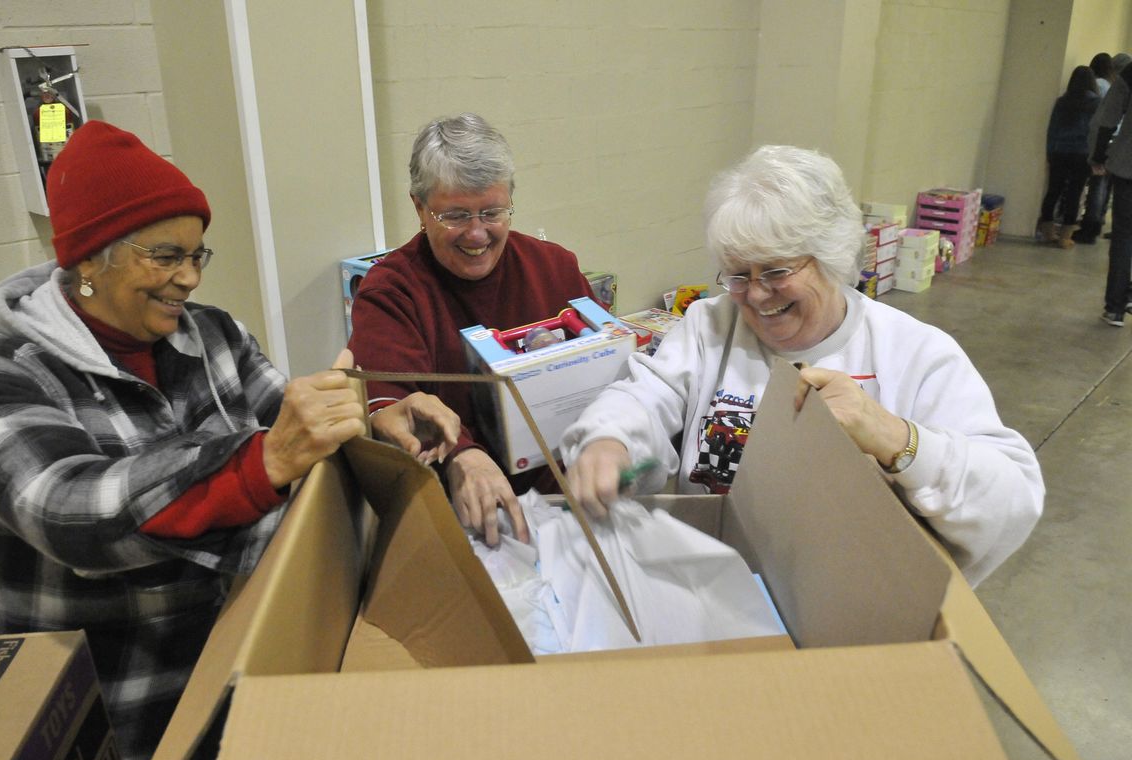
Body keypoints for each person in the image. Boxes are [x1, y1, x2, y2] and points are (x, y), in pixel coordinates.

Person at [0, 121, 452, 760]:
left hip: (249, 657)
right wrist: (257, 465)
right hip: (115, 706)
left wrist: (376, 421)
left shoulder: (212, 336)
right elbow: (73, 517)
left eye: (197, 255)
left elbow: (298, 441)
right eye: (164, 256)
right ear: (90, 258)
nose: (187, 278)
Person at [561, 145, 1045, 587]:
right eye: (737, 275)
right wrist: (610, 439)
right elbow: (648, 394)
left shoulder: (916, 354)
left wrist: (896, 438)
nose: (754, 295)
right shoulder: (712, 325)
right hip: (713, 583)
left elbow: (1012, 499)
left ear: (831, 256)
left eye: (775, 272)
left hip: (848, 596)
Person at [347, 112, 596, 546]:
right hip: (459, 523)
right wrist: (463, 454)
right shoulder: (389, 292)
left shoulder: (556, 268)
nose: (478, 234)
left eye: (493, 212)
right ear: (419, 208)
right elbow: (389, 403)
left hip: (566, 506)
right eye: (456, 215)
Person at [1037, 66, 1100, 248]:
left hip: (1059, 151)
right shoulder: (1097, 103)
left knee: (1053, 190)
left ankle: (1047, 231)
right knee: (1074, 193)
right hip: (1082, 153)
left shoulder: (1061, 102)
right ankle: (1065, 236)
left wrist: (1049, 152)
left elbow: (1052, 129)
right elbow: (1096, 130)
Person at [1093, 55, 1132, 325]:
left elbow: (1108, 116)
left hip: (1128, 165)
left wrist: (1098, 154)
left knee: (1123, 235)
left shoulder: (1130, 74)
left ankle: (1115, 308)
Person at [1078, 53, 1131, 245]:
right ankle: (1095, 223)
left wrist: (1098, 154)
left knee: (1100, 187)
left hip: (1121, 153)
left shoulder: (1119, 80)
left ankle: (1091, 226)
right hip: (1120, 149)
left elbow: (1105, 119)